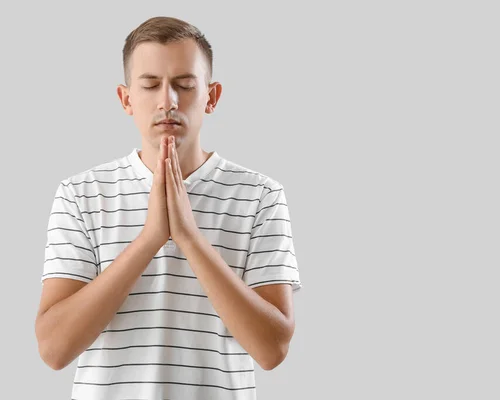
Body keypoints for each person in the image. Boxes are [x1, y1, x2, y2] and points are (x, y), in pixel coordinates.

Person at [35, 16, 302, 400]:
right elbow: (54, 350)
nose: (167, 101)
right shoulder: (80, 194)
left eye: (184, 85)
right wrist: (150, 239)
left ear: (211, 96)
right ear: (126, 99)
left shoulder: (260, 194)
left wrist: (190, 239)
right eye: (150, 85)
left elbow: (273, 349)